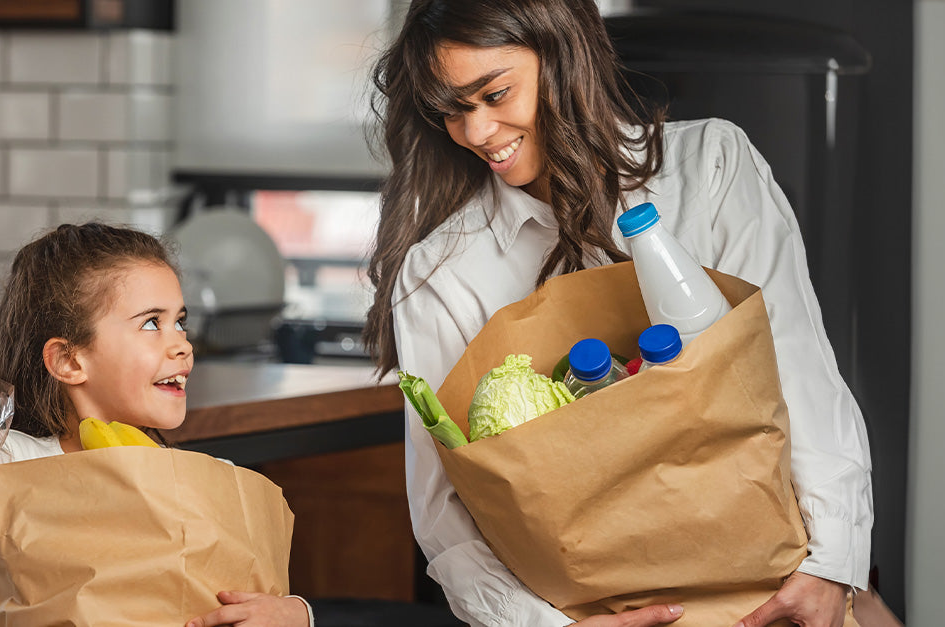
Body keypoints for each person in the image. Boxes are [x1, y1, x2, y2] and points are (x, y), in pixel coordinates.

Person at [362, 1, 874, 626]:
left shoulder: (710, 167)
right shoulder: (441, 270)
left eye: (495, 94)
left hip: (769, 586)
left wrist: (831, 566)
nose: (476, 133)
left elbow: (796, 366)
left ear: (564, 57)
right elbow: (444, 506)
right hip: (585, 610)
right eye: (451, 109)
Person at [0, 222, 313, 627]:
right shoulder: (9, 473)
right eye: (152, 323)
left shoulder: (210, 486)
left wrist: (297, 614)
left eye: (180, 321)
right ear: (70, 361)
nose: (183, 344)